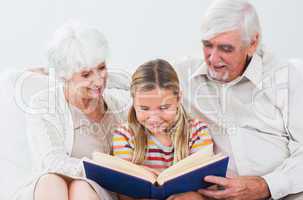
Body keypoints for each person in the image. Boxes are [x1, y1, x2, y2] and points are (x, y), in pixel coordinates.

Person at [170, 0, 303, 199]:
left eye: (226, 49)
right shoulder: (183, 74)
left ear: (253, 43)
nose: (213, 59)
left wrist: (265, 185)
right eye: (207, 45)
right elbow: (134, 81)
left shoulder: (287, 78)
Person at [18, 23, 130, 200]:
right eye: (86, 75)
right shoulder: (44, 105)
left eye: (102, 68)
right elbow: (51, 162)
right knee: (51, 180)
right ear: (65, 76)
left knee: (81, 188)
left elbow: (136, 82)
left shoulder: (119, 108)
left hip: (94, 191)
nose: (99, 81)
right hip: (51, 188)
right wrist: (103, 168)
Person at [111, 59, 214, 199]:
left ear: (178, 99)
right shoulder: (124, 135)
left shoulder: (197, 131)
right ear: (133, 102)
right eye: (144, 109)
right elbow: (124, 191)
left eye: (164, 108)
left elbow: (206, 183)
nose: (154, 118)